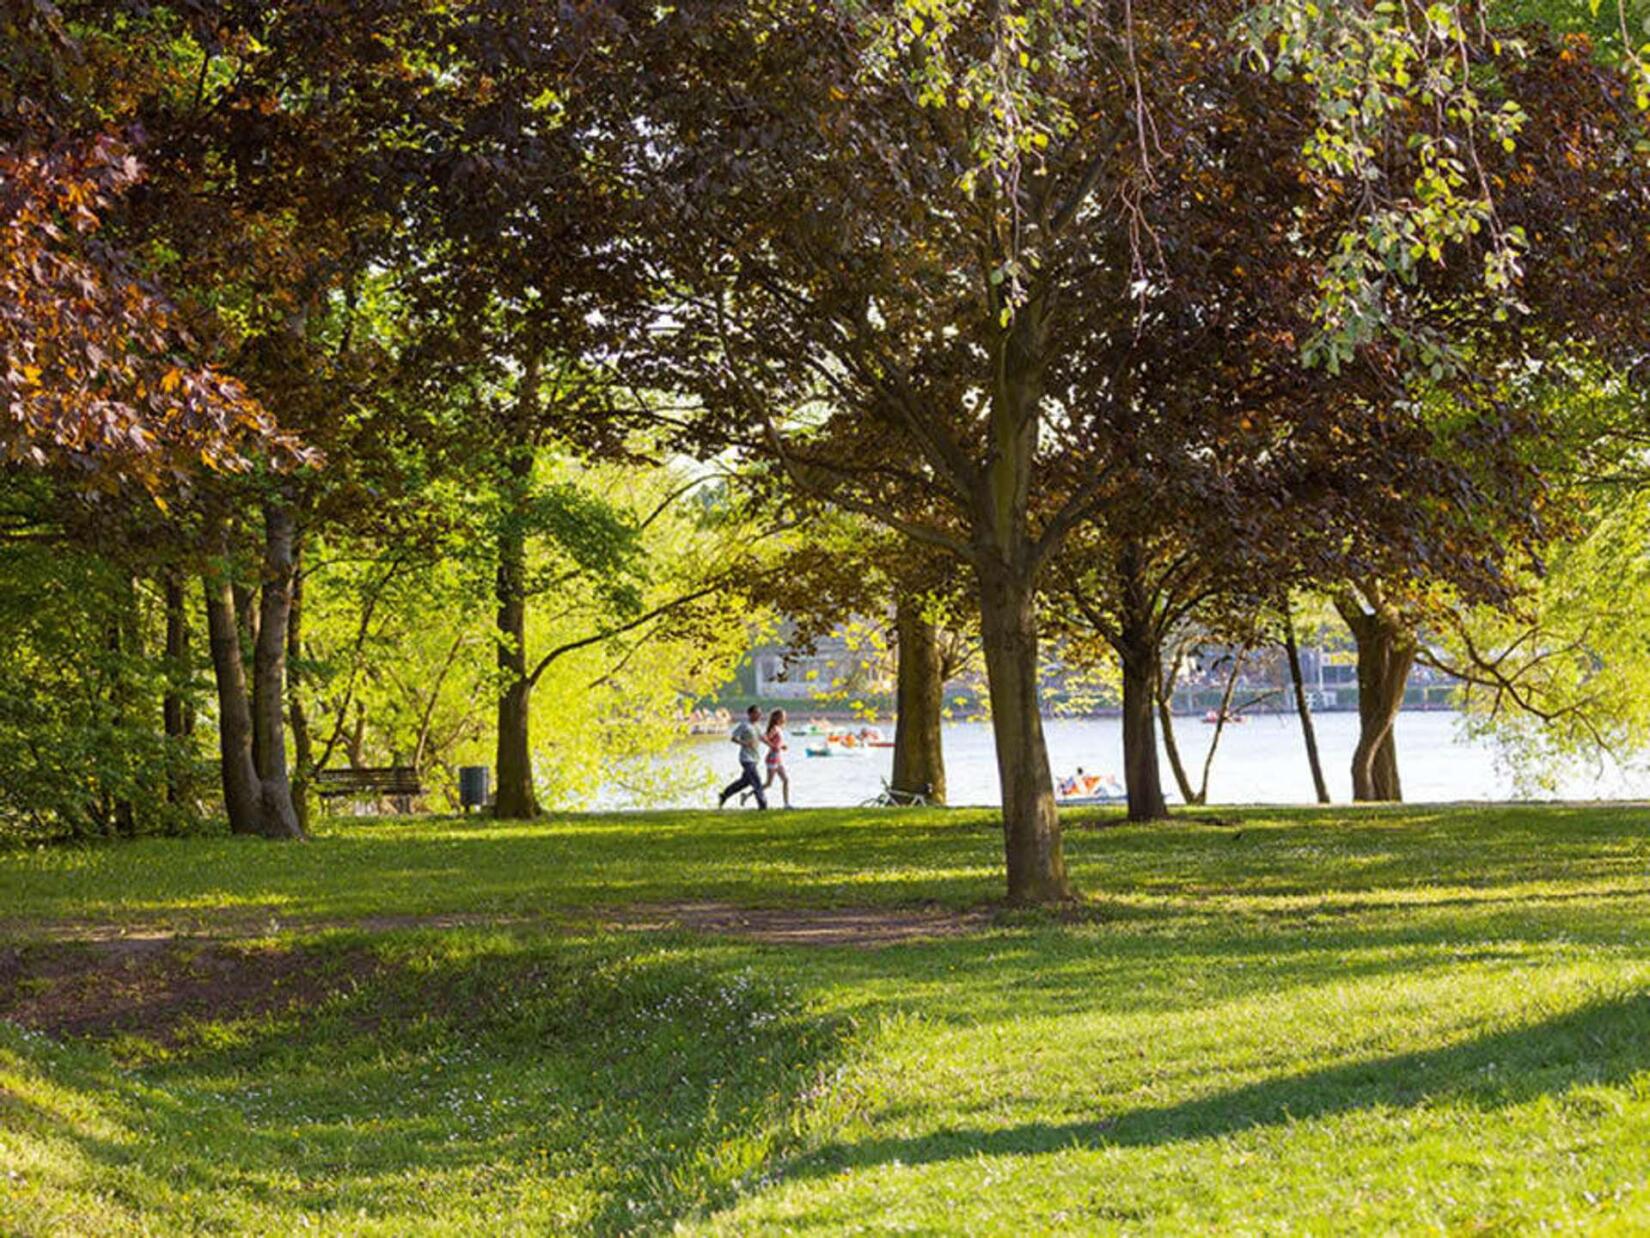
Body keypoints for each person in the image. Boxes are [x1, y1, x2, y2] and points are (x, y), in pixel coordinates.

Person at [718, 705, 768, 810]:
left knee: (744, 782)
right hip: (746, 759)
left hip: (755, 758)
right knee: (757, 780)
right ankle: (763, 805)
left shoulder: (757, 726)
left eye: (760, 713)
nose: (759, 715)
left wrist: (774, 746)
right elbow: (733, 738)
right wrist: (744, 743)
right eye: (757, 713)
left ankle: (724, 795)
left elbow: (763, 738)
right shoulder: (744, 725)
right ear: (750, 714)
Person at [762, 707, 791, 809]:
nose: (785, 718)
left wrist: (782, 746)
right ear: (778, 717)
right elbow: (764, 738)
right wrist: (772, 746)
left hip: (778, 758)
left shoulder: (778, 728)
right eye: (783, 716)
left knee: (786, 780)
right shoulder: (774, 728)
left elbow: (776, 742)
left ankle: (786, 804)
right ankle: (748, 795)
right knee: (768, 784)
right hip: (772, 758)